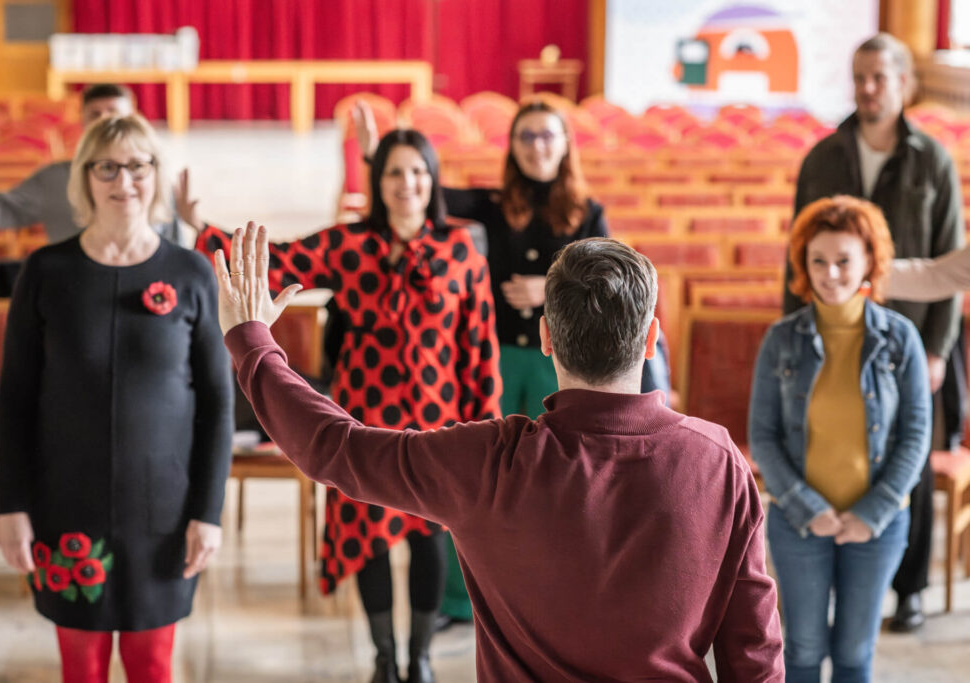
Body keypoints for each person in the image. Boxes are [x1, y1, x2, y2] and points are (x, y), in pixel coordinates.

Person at [215, 225, 784, 681]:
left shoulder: (488, 461)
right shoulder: (719, 460)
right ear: (652, 335)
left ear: (545, 338)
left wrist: (252, 341)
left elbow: (334, 448)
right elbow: (753, 651)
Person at [196, 129, 500, 683]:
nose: (407, 184)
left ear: (431, 181)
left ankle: (421, 659)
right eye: (393, 173)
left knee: (433, 538)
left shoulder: (461, 250)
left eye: (417, 172)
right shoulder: (351, 245)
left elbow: (479, 349)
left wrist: (487, 427)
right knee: (368, 539)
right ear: (377, 182)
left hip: (440, 422)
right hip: (365, 421)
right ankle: (385, 658)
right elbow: (279, 260)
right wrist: (200, 230)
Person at [353, 98, 672, 626]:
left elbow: (608, 286)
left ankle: (555, 587)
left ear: (565, 145)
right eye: (526, 137)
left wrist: (547, 295)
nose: (537, 147)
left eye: (547, 136)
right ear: (512, 146)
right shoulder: (494, 203)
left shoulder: (587, 212)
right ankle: (459, 601)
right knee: (481, 478)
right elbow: (430, 192)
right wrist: (373, 157)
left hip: (564, 362)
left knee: (562, 478)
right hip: (499, 359)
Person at [0, 114, 233, 682]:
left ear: (156, 174)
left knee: (152, 665)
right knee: (81, 666)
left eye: (137, 166)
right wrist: (12, 507)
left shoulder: (191, 272)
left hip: (165, 512)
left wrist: (208, 511)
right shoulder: (46, 272)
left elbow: (219, 406)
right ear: (85, 177)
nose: (123, 181)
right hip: (65, 508)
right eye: (107, 167)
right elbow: (15, 401)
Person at [784, 32, 964, 631]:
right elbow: (798, 258)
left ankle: (907, 589)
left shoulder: (931, 159)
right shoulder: (823, 157)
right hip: (829, 336)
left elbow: (949, 265)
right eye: (859, 76)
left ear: (903, 83)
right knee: (833, 456)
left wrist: (937, 349)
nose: (867, 88)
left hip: (909, 341)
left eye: (879, 77)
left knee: (903, 466)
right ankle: (836, 578)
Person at [751, 196, 931, 682]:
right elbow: (762, 437)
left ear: (870, 260)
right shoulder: (781, 340)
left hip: (877, 523)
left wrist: (872, 513)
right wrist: (812, 510)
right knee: (803, 650)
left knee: (854, 651)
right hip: (800, 521)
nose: (831, 273)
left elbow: (916, 434)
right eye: (818, 261)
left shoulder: (901, 339)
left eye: (844, 260)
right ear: (803, 265)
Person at [0, 83, 184, 246]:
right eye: (95, 114)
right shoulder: (54, 179)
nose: (104, 122)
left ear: (133, 119)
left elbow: (175, 246)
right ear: (82, 120)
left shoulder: (152, 176)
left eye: (113, 113)